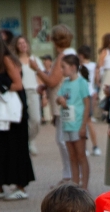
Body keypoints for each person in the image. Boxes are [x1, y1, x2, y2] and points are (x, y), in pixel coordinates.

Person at [0, 30, 35, 200]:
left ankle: (20, 185)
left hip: (14, 110)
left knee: (16, 146)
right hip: (0, 110)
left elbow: (18, 84)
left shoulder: (6, 59)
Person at [31, 25, 77, 185]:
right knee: (63, 140)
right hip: (66, 103)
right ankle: (69, 174)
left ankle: (71, 175)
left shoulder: (63, 56)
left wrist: (37, 70)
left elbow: (53, 80)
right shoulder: (70, 53)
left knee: (64, 141)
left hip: (64, 104)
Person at [57, 54, 90, 189]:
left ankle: (85, 186)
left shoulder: (82, 83)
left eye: (63, 67)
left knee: (81, 155)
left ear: (73, 67)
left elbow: (87, 104)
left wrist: (83, 125)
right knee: (72, 156)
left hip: (77, 124)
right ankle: (75, 185)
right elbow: (59, 97)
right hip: (67, 124)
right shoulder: (64, 83)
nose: (61, 70)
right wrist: (59, 100)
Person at [14, 36, 44, 157]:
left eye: (24, 42)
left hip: (33, 91)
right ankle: (25, 144)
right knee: (22, 120)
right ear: (16, 46)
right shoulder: (15, 61)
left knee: (36, 120)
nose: (22, 45)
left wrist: (44, 95)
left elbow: (40, 76)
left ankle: (30, 139)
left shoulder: (34, 59)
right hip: (20, 92)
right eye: (19, 43)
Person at [77, 45, 100, 156]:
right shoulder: (94, 65)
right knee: (89, 122)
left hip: (82, 95)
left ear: (81, 55)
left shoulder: (79, 67)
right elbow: (96, 81)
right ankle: (95, 146)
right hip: (91, 93)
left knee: (84, 122)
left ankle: (85, 147)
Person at [97, 33, 110, 106]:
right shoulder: (105, 51)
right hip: (107, 72)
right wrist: (98, 78)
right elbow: (99, 65)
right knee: (103, 91)